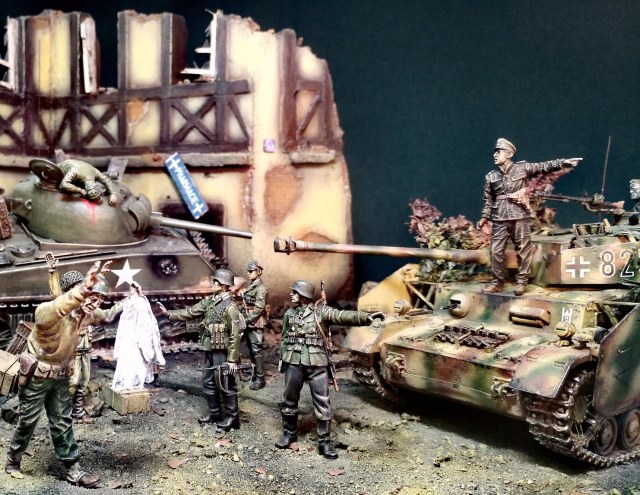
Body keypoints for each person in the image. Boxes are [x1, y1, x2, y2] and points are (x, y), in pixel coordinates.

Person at [5, 261, 111, 488]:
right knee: (28, 421)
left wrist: (133, 301)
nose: (95, 303)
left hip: (61, 377)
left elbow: (106, 314)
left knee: (62, 421)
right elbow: (60, 305)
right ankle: (13, 459)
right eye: (91, 297)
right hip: (36, 378)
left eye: (99, 299)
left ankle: (74, 469)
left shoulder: (83, 316)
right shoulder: (47, 312)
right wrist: (84, 288)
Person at [276, 280, 383, 459]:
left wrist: (366, 317)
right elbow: (285, 338)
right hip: (294, 361)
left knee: (322, 402)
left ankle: (324, 442)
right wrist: (283, 358)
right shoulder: (289, 314)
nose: (291, 295)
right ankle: (289, 434)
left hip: (317, 362)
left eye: (295, 292)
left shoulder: (321, 311)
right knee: (289, 399)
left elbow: (341, 316)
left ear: (303, 295)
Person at [478, 138, 581, 295]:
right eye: (495, 152)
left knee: (523, 250)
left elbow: (543, 166)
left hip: (519, 215)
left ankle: (521, 282)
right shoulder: (491, 177)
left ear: (509, 154)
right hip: (499, 217)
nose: (495, 155)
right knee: (496, 251)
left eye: (499, 152)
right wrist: (484, 217)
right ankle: (497, 282)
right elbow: (488, 199)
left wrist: (563, 162)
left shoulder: (522, 168)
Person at [157, 269, 244, 431]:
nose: (213, 283)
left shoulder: (231, 308)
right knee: (208, 382)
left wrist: (232, 360)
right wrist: (169, 314)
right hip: (211, 347)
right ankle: (215, 413)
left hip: (223, 351)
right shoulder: (210, 301)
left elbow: (235, 334)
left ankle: (233, 418)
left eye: (216, 282)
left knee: (225, 383)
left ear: (224, 285)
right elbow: (191, 312)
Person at [112, 282, 165, 391]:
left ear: (137, 290)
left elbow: (143, 320)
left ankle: (138, 384)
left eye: (133, 290)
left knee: (138, 361)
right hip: (129, 334)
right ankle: (129, 383)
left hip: (136, 336)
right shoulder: (130, 301)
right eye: (131, 290)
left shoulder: (140, 303)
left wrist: (142, 337)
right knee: (128, 360)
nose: (131, 292)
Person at [241, 260, 268, 390]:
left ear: (258, 272)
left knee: (257, 351)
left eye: (251, 271)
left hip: (255, 321)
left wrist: (247, 321)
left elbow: (259, 309)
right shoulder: (252, 285)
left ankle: (261, 379)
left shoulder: (261, 288)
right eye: (248, 271)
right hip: (249, 320)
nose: (248, 273)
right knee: (252, 350)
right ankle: (255, 374)